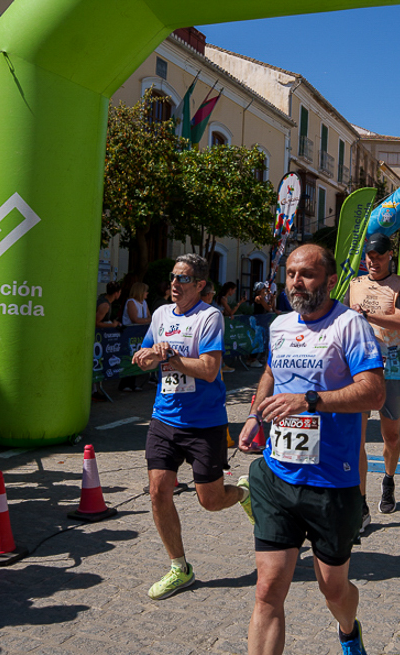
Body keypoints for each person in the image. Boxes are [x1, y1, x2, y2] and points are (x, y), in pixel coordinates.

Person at [238, 244, 385, 655]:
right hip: (278, 475)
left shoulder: (349, 326)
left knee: (333, 589)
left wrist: (310, 400)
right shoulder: (280, 325)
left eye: (306, 274)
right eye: (290, 274)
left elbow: (374, 393)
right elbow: (271, 371)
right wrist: (255, 416)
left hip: (332, 482)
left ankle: (348, 630)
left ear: (331, 280)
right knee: (268, 588)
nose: (296, 283)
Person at [131, 254, 251, 600]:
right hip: (164, 417)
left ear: (199, 285)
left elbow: (210, 370)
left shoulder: (209, 317)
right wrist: (146, 357)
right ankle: (179, 568)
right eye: (172, 276)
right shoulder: (160, 314)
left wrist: (169, 356)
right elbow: (143, 358)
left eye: (182, 278)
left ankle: (245, 494)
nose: (174, 283)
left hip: (204, 422)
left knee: (210, 500)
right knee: (158, 491)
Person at [348, 233, 400, 523]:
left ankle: (388, 480)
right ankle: (360, 502)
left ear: (390, 256)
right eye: (370, 257)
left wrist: (368, 317)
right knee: (357, 438)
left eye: (379, 257)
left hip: (393, 364)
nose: (373, 262)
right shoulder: (354, 284)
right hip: (360, 365)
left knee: (392, 435)